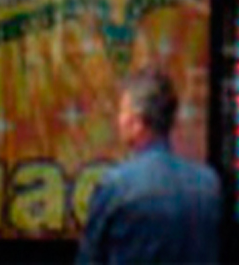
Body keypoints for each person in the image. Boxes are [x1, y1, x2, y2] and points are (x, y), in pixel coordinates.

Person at [77, 67, 221, 264]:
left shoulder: (116, 186)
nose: (118, 120)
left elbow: (89, 258)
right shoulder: (208, 185)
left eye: (122, 111)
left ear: (137, 122)